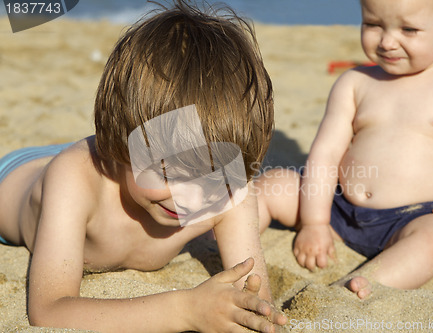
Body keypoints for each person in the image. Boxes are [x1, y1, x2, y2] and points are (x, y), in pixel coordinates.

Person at [0, 1, 287, 332]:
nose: (190, 201)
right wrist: (185, 310)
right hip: (18, 176)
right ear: (120, 145)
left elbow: (254, 298)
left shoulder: (230, 189)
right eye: (170, 173)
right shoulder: (73, 182)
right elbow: (49, 310)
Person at [256, 0, 433, 299]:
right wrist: (315, 222)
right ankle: (231, 243)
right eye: (372, 24)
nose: (386, 41)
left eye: (408, 29)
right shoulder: (356, 82)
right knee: (272, 184)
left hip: (418, 217)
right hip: (337, 206)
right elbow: (325, 154)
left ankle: (362, 285)